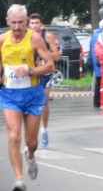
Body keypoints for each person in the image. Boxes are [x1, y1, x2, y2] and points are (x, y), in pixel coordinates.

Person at [0, 4, 55, 191]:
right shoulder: (1, 40)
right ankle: (18, 179)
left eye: (20, 23)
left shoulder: (35, 39)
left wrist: (30, 70)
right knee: (14, 136)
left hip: (32, 94)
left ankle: (30, 156)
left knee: (31, 142)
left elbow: (50, 66)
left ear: (25, 22)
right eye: (13, 23)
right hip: (10, 95)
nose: (16, 27)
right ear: (7, 22)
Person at [28, 13, 62, 148]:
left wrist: (44, 53)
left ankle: (44, 129)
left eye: (37, 23)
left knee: (44, 103)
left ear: (41, 24)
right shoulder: (26, 37)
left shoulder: (48, 37)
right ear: (29, 24)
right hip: (32, 74)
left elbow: (57, 57)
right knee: (31, 105)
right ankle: (32, 135)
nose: (35, 25)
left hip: (46, 73)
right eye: (32, 23)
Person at [89, 20, 103, 107]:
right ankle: (99, 100)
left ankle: (97, 100)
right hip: (101, 60)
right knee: (102, 81)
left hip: (96, 61)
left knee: (98, 81)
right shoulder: (102, 35)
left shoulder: (94, 35)